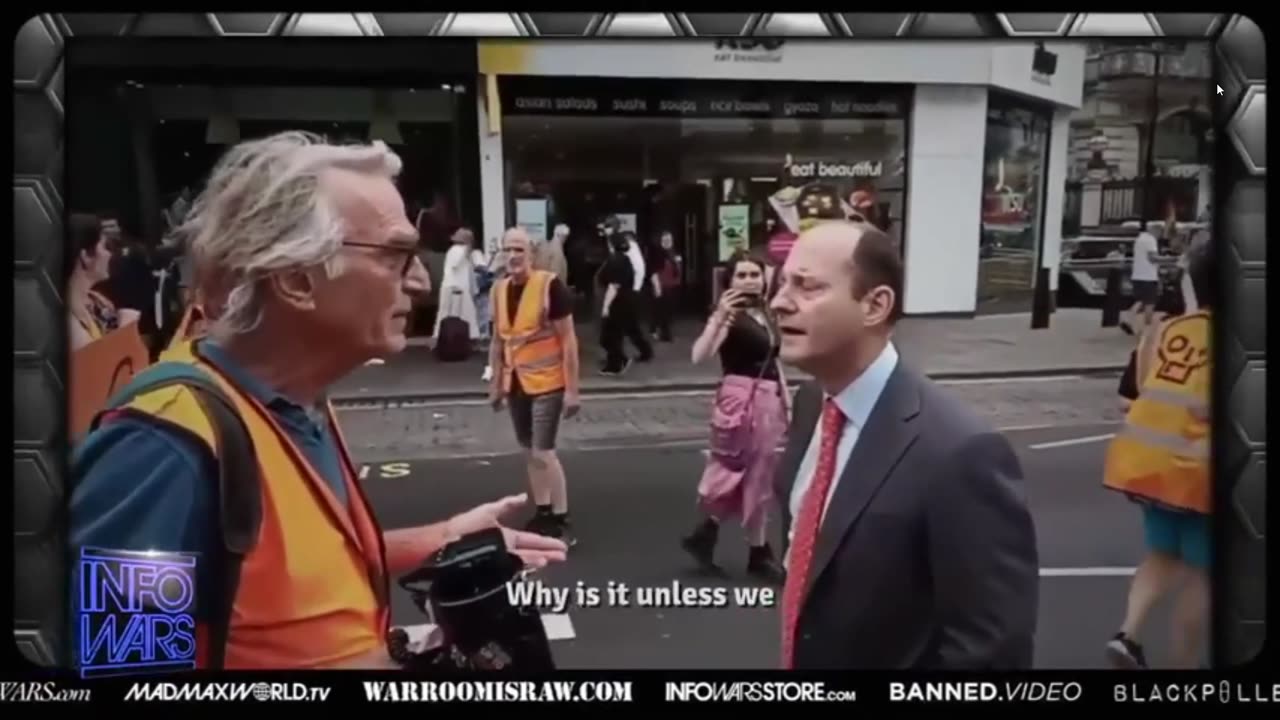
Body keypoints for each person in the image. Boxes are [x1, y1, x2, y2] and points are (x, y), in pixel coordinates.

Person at [68, 132, 567, 670]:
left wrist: (439, 539)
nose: (421, 279)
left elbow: (290, 569)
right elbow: (124, 670)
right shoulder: (161, 450)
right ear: (295, 280)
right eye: (397, 254)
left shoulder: (298, 400)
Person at [770, 220, 1038, 670]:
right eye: (781, 284)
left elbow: (991, 653)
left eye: (807, 287)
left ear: (875, 305)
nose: (779, 302)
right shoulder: (811, 404)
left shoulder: (960, 453)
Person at [1103, 234, 1213, 670]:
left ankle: (1128, 634)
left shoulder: (1167, 330)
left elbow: (1134, 393)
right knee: (1203, 574)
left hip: (1148, 466)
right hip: (1201, 474)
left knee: (1162, 555)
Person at [682, 252, 788, 584]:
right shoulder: (730, 316)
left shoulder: (766, 313)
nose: (749, 280)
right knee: (739, 470)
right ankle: (758, 552)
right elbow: (699, 356)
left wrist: (785, 396)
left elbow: (773, 360)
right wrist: (720, 316)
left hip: (768, 398)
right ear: (729, 281)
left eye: (754, 274)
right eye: (741, 275)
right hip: (741, 399)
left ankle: (707, 535)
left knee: (755, 471)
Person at [489, 227, 582, 545]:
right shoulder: (499, 290)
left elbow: (568, 340)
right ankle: (542, 511)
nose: (513, 256)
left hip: (549, 382)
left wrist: (573, 390)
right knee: (528, 451)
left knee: (544, 452)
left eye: (519, 249)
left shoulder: (550, 286)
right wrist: (495, 382)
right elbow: (499, 340)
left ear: (531, 253)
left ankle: (560, 516)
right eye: (507, 250)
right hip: (516, 382)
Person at [67, 213, 139, 351]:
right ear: (86, 256)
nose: (109, 254)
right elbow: (96, 368)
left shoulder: (98, 301)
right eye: (105, 247)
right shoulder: (70, 324)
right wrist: (126, 330)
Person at [599, 232, 652, 374]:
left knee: (610, 335)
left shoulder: (615, 260)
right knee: (626, 330)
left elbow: (613, 286)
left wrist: (606, 306)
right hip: (628, 299)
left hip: (619, 301)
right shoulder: (626, 259)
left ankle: (617, 363)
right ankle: (621, 360)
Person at [432, 226, 483, 345]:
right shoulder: (457, 250)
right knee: (458, 313)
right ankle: (447, 338)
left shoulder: (458, 250)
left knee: (451, 313)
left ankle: (444, 337)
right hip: (455, 287)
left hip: (455, 286)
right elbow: (456, 265)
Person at [1122, 222, 1162, 336]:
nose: (1160, 234)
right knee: (1150, 303)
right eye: (1160, 231)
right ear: (1154, 229)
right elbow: (1152, 258)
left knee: (1140, 300)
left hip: (1137, 275)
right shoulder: (1151, 240)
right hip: (1148, 276)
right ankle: (1147, 331)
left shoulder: (1139, 239)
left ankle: (1127, 318)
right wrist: (1165, 260)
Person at [650, 231, 681, 343]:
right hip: (663, 285)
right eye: (665, 240)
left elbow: (677, 266)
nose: (668, 242)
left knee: (665, 310)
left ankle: (656, 330)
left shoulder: (673, 252)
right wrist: (657, 286)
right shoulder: (658, 253)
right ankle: (665, 334)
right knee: (663, 311)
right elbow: (653, 271)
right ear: (661, 241)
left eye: (670, 240)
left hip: (672, 285)